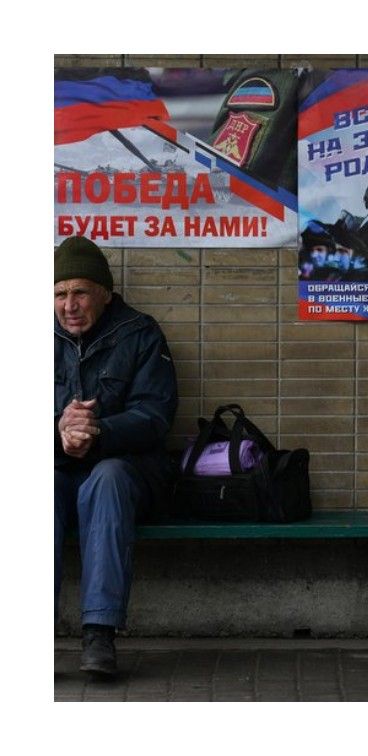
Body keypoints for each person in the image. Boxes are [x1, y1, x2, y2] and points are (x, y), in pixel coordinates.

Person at [54, 236, 179, 677]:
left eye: (80, 292)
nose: (69, 304)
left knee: (105, 480)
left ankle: (99, 634)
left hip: (127, 473)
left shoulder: (139, 333)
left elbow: (154, 416)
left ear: (105, 295)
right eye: (59, 293)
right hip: (59, 469)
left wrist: (97, 432)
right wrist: (59, 432)